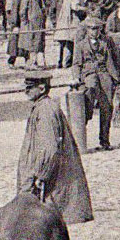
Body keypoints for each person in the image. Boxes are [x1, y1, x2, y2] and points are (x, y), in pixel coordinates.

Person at [17, 70, 93, 224]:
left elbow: (49, 149)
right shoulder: (43, 106)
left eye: (30, 87)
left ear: (42, 88)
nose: (26, 91)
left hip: (50, 184)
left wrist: (39, 175)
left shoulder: (45, 110)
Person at [74, 13, 120, 150]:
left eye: (97, 29)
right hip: (89, 74)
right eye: (91, 29)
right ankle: (80, 135)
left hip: (104, 74)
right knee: (88, 98)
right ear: (87, 30)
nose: (94, 32)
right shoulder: (81, 45)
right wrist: (76, 77)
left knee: (107, 107)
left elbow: (113, 60)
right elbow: (76, 63)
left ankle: (104, 140)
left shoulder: (106, 42)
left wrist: (116, 76)